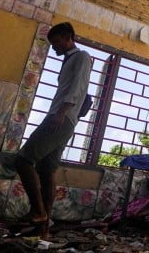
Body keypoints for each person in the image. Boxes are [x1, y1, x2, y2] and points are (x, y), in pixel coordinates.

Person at [14, 22, 92, 234]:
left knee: (23, 160)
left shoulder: (82, 56)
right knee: (46, 170)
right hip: (63, 118)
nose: (54, 47)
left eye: (56, 42)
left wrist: (62, 112)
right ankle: (43, 229)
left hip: (61, 117)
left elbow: (78, 87)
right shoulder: (69, 60)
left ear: (68, 37)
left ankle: (38, 211)